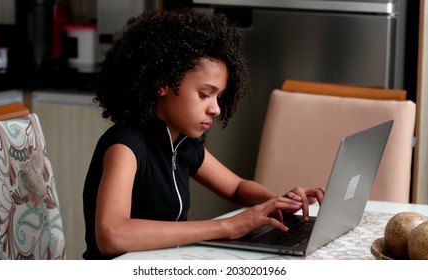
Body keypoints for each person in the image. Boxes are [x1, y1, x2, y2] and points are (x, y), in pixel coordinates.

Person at [82, 8, 325, 260]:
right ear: (163, 83)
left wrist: (277, 203)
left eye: (218, 96)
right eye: (204, 94)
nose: (216, 109)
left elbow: (236, 187)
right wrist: (227, 226)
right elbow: (112, 235)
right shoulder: (126, 146)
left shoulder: (184, 144)